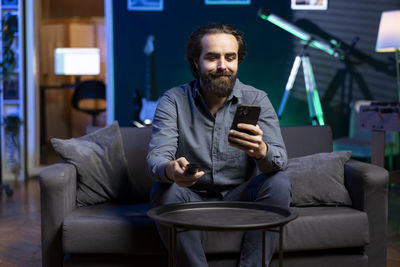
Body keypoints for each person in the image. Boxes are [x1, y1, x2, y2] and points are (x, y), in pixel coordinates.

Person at [147, 23, 291, 267]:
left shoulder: (257, 99)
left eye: (230, 57)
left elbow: (279, 160)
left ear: (238, 61)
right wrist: (171, 170)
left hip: (241, 198)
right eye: (212, 57)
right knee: (164, 189)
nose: (223, 66)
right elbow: (157, 158)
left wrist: (261, 151)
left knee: (279, 182)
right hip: (191, 198)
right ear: (195, 62)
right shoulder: (173, 100)